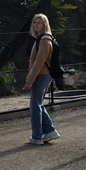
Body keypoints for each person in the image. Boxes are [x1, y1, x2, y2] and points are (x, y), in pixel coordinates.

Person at [23, 13, 59, 146]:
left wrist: (29, 80)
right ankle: (49, 130)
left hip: (42, 74)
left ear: (45, 25)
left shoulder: (44, 39)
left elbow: (39, 62)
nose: (36, 25)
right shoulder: (40, 38)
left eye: (39, 22)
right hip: (42, 74)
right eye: (34, 22)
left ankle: (37, 136)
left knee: (34, 106)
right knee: (38, 103)